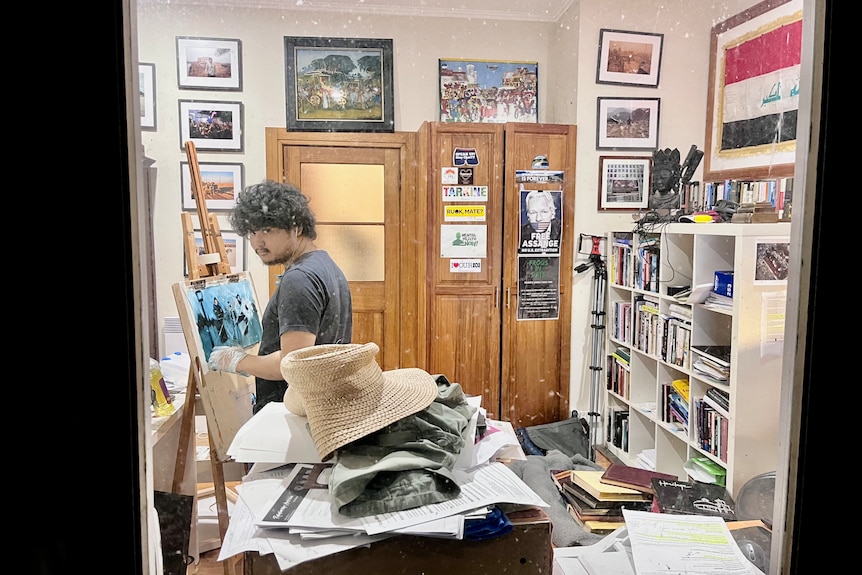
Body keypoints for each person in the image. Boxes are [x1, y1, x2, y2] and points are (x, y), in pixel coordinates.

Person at [207, 180, 353, 413]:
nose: (257, 242)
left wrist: (238, 361)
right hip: (316, 406)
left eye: (267, 230)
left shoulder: (300, 278)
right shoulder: (324, 264)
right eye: (252, 232)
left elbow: (292, 364)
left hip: (291, 413)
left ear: (296, 228)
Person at [519, 189, 562, 254]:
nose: (538, 218)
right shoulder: (521, 233)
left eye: (544, 212)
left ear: (552, 213)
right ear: (528, 215)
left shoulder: (562, 230)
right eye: (533, 213)